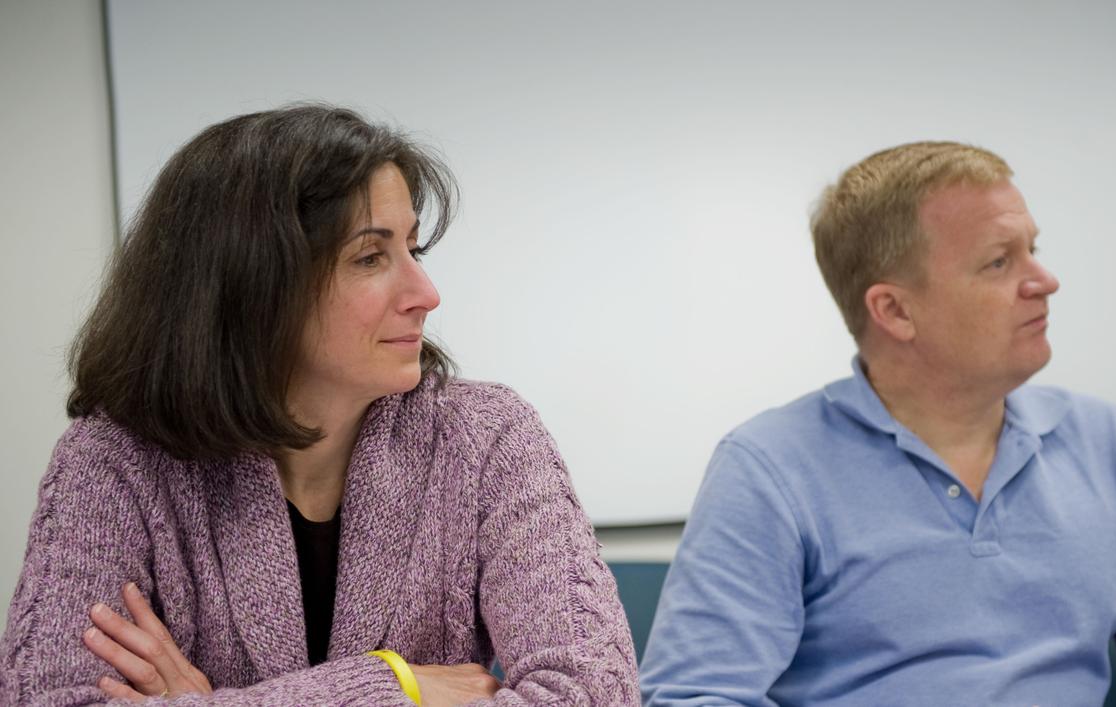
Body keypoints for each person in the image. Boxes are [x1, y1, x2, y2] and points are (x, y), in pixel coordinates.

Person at [0, 105, 640, 705]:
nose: (426, 293)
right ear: (252, 287)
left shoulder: (488, 438)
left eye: (411, 250)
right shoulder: (113, 461)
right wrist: (389, 685)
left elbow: (595, 694)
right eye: (370, 256)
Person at [639, 142, 1116, 705]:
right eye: (1000, 262)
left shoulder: (1115, 445)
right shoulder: (769, 468)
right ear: (894, 310)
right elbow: (693, 695)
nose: (1046, 280)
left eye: (1035, 249)